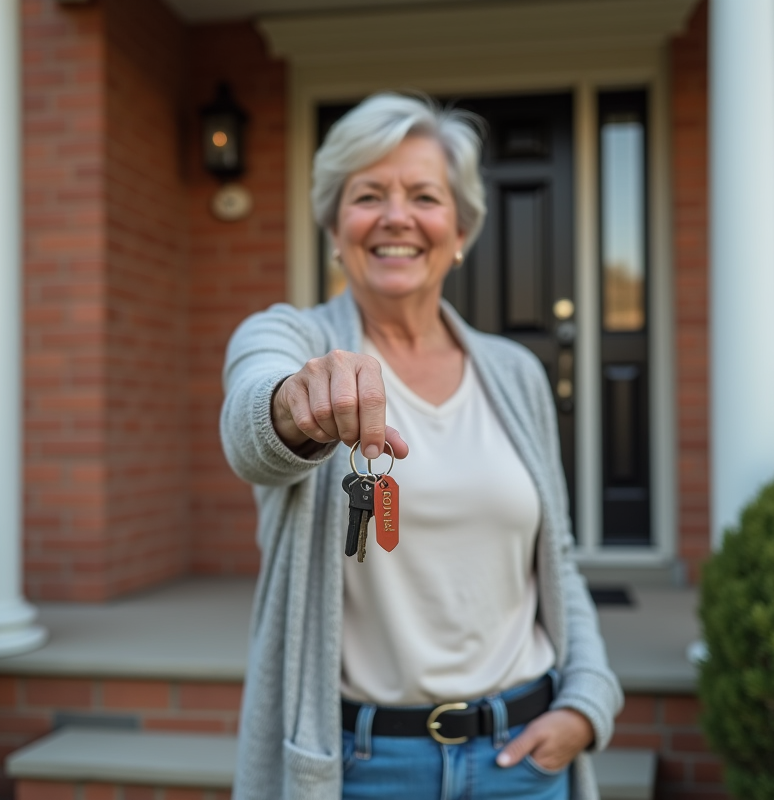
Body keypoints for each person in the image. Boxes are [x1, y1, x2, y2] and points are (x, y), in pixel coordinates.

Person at [221, 92, 623, 800]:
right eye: (368, 194)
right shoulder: (293, 340)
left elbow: (556, 559)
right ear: (335, 226)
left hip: (524, 762)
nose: (396, 216)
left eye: (424, 196)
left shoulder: (514, 373)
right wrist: (295, 402)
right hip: (364, 767)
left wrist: (588, 702)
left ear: (461, 228)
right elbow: (253, 423)